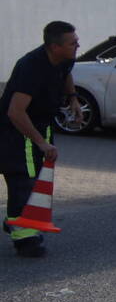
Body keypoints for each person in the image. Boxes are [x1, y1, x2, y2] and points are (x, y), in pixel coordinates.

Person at [1, 21, 81, 258]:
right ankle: (25, 239)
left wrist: (73, 98)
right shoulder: (31, 67)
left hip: (41, 124)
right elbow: (15, 112)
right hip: (16, 131)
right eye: (72, 43)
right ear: (55, 47)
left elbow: (66, 73)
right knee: (23, 181)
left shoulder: (65, 58)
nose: (78, 45)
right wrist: (41, 142)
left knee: (37, 181)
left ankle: (17, 222)